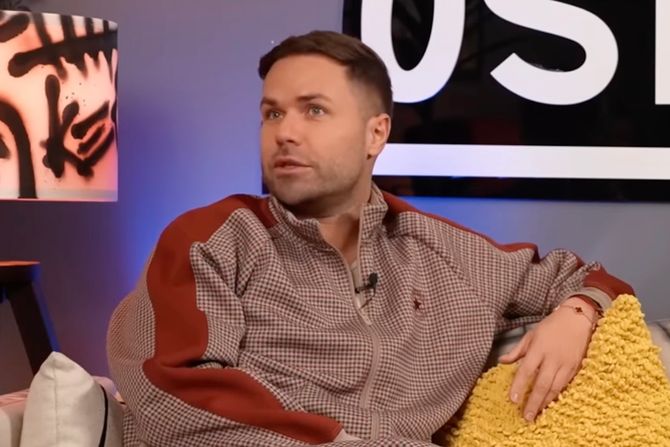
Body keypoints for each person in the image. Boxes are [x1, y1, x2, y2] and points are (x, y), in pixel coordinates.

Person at [107, 30, 634, 446]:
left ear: (375, 133)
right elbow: (172, 394)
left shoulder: (443, 252)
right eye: (272, 113)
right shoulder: (213, 239)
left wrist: (579, 310)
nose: (285, 132)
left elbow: (587, 278)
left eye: (314, 110)